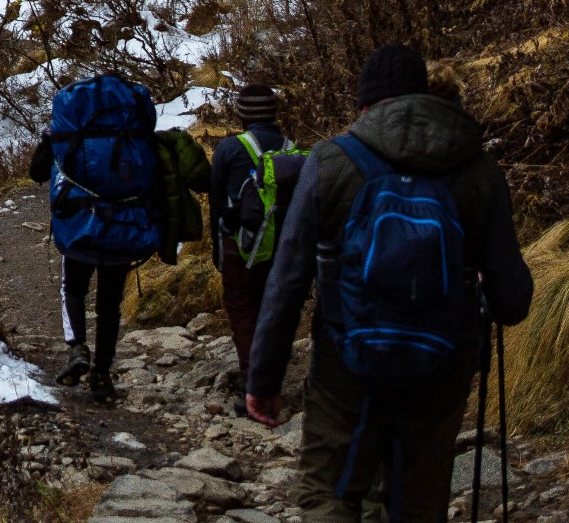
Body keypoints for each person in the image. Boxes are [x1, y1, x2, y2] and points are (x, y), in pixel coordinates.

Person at [245, 46, 534, 523]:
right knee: (415, 506)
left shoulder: (331, 160)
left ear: (364, 105)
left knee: (329, 495)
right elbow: (513, 299)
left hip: (346, 367)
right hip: (440, 367)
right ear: (424, 96)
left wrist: (263, 379)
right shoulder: (477, 170)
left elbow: (287, 280)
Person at [30, 73, 164, 404]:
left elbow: (35, 172)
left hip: (79, 225)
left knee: (73, 289)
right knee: (110, 305)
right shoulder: (134, 133)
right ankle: (102, 374)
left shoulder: (66, 134)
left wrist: (51, 141)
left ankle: (77, 348)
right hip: (124, 225)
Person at [210, 84, 290, 383]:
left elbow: (217, 204)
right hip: (281, 246)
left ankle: (251, 378)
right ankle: (272, 375)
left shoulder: (230, 148)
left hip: (239, 245)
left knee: (243, 310)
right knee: (272, 311)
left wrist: (217, 252)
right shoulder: (291, 148)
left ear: (241, 114)